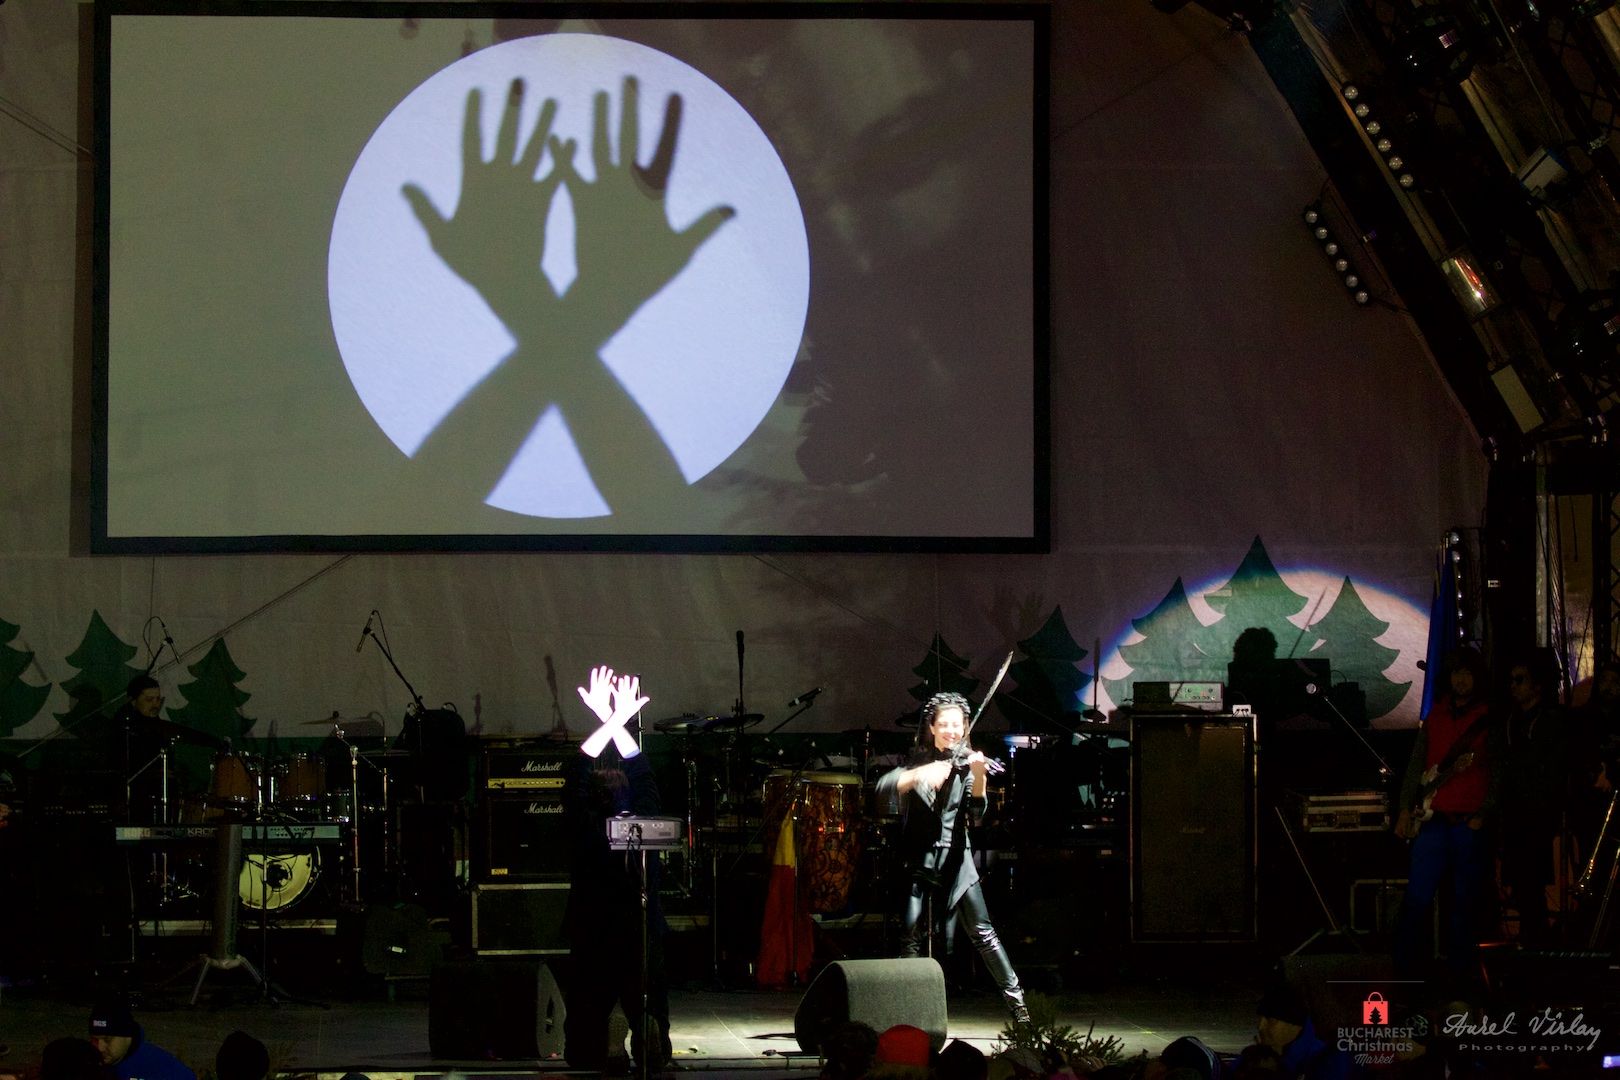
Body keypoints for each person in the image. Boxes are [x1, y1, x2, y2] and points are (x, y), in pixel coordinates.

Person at [875, 692, 1028, 1024]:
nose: (951, 731)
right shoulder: (917, 761)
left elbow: (977, 812)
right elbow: (883, 787)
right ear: (931, 727)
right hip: (921, 858)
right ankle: (910, 1016)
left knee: (983, 933)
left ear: (965, 728)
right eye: (943, 724)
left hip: (958, 859)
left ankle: (1020, 1010)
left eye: (956, 725)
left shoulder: (967, 764)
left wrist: (979, 776)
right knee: (911, 937)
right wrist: (921, 775)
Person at [560, 738, 672, 1073]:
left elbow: (572, 784)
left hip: (592, 930)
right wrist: (620, 728)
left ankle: (601, 1043)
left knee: (583, 1034)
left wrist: (604, 728)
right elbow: (645, 779)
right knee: (649, 992)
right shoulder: (645, 825)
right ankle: (649, 1032)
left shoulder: (583, 828)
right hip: (641, 928)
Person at [1392, 646, 1501, 980]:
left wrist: (1483, 813)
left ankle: (1460, 977)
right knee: (1418, 899)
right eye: (1456, 673)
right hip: (1434, 821)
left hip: (1468, 822)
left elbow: (1499, 772)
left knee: (1464, 904)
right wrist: (1404, 809)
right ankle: (1407, 973)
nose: (1461, 680)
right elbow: (1417, 765)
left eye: (1467, 673)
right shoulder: (1436, 716)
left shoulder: (1489, 718)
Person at [1497, 650, 1569, 947]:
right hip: (1517, 811)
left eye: (1520, 680)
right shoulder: (1514, 721)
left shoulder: (1548, 721)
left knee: (1530, 880)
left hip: (1535, 813)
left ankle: (1536, 939)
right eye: (1512, 680)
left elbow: (1550, 770)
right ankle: (1533, 937)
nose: (1513, 686)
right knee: (1523, 880)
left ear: (1537, 685)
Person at [1254, 980, 1350, 1080]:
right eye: (1260, 1019)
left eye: (1271, 1021)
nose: (1260, 1027)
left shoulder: (1328, 1062)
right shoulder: (1274, 1057)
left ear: (1295, 1026)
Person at [87, 1002, 194, 1080]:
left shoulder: (160, 1069)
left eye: (107, 1040)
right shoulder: (87, 1062)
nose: (100, 1048)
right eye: (95, 1040)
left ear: (127, 1037)